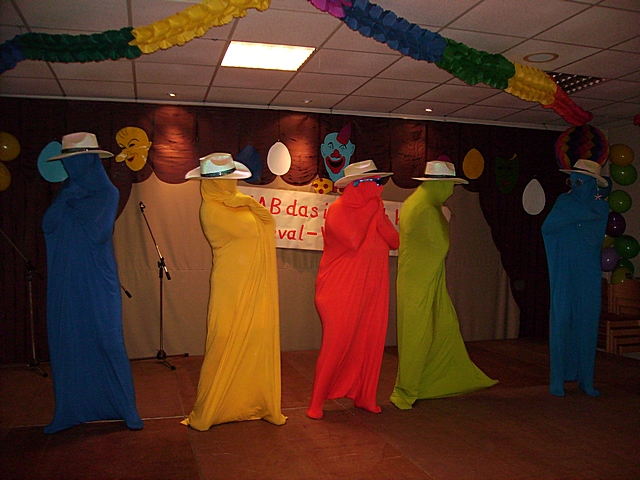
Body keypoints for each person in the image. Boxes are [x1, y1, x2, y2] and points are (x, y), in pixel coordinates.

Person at [42, 132, 143, 433]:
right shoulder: (67, 191)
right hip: (66, 278)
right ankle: (70, 410)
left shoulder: (107, 193)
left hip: (98, 279)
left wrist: (73, 201)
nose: (70, 166)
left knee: (108, 339)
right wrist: (67, 198)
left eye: (76, 160)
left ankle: (126, 408)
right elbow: (48, 225)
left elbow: (98, 232)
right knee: (68, 339)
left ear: (89, 161)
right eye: (67, 161)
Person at [182, 152, 286, 430]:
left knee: (255, 340)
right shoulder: (212, 210)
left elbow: (266, 223)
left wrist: (246, 202)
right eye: (223, 179)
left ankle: (253, 401)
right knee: (223, 342)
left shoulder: (238, 201)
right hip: (231, 285)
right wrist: (246, 203)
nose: (229, 184)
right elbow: (252, 230)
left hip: (254, 281)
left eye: (229, 178)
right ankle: (212, 409)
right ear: (211, 182)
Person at [390, 160, 497, 410]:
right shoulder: (426, 208)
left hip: (420, 278)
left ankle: (425, 382)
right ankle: (406, 390)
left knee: (435, 328)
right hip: (421, 282)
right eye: (449, 185)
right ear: (440, 184)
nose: (451, 190)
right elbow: (440, 245)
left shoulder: (417, 202)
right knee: (417, 334)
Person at [307, 160, 399, 419]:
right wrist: (371, 210)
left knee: (368, 340)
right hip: (339, 289)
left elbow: (394, 240)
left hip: (371, 287)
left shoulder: (375, 208)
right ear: (358, 185)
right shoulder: (338, 210)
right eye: (375, 182)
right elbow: (353, 240)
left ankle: (364, 395)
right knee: (336, 344)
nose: (379, 187)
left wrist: (377, 213)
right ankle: (316, 402)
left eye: (380, 181)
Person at [542, 159, 609, 397]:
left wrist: (576, 216)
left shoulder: (601, 207)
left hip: (588, 272)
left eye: (580, 180)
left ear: (592, 183)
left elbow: (594, 234)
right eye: (572, 180)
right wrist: (581, 215)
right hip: (564, 269)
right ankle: (557, 378)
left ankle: (586, 379)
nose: (574, 184)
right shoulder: (564, 201)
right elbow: (548, 227)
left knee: (587, 322)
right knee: (561, 320)